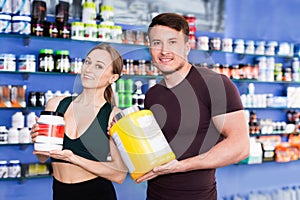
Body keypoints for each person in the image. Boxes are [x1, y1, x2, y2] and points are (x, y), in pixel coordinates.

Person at [135, 13, 250, 200]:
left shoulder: (215, 85)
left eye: (172, 42)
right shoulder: (152, 94)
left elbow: (240, 147)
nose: (164, 51)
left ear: (187, 47)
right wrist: (120, 133)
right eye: (157, 43)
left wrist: (181, 166)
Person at [30, 43, 127, 200]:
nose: (88, 69)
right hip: (60, 192)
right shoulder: (56, 104)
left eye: (99, 66)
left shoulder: (114, 115)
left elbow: (119, 174)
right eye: (87, 62)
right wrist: (37, 138)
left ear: (113, 77)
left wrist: (72, 158)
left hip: (96, 193)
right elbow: (42, 156)